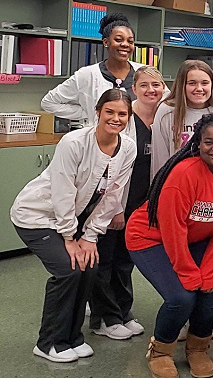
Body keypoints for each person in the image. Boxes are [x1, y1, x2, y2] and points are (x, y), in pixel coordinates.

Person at [12, 89, 137, 363]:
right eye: (110, 112)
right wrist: (70, 236)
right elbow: (62, 191)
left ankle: (72, 338)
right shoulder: (74, 142)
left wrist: (90, 236)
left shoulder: (127, 147)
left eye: (122, 114)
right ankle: (48, 343)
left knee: (89, 266)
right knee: (68, 270)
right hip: (37, 215)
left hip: (74, 218)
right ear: (98, 112)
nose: (116, 118)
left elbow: (114, 194)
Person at [126, 113, 213, 378]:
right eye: (208, 141)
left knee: (211, 291)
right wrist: (188, 272)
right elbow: (173, 230)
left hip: (194, 239)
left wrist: (207, 272)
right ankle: (161, 351)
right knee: (181, 297)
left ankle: (198, 347)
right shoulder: (184, 173)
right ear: (197, 143)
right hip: (149, 239)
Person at [88, 67, 165, 340]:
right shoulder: (124, 118)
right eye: (144, 85)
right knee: (104, 259)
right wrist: (117, 208)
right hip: (113, 201)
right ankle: (103, 319)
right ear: (135, 89)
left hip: (140, 204)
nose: (150, 90)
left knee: (124, 260)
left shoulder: (164, 116)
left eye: (156, 84)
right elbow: (112, 168)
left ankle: (122, 312)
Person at [42, 13, 143, 125]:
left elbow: (162, 103)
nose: (125, 44)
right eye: (118, 40)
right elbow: (49, 102)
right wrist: (87, 113)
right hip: (99, 140)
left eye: (130, 41)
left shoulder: (144, 73)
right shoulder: (87, 74)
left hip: (138, 140)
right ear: (106, 42)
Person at [150, 60, 213, 175]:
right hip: (176, 181)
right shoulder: (167, 111)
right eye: (192, 83)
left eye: (204, 83)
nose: (199, 88)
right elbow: (159, 158)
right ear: (182, 85)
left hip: (211, 181)